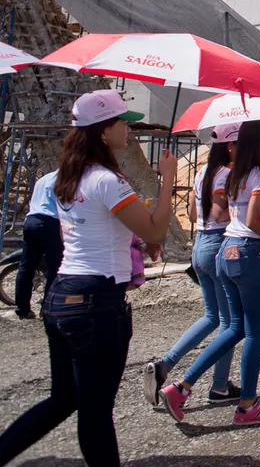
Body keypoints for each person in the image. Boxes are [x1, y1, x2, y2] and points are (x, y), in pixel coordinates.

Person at [0, 89, 177, 465]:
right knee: (95, 411)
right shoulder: (107, 180)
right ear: (102, 131)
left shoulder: (67, 176)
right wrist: (167, 182)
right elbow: (154, 231)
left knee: (63, 399)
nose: (128, 129)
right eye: (121, 122)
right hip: (97, 302)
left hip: (62, 294)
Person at [158, 120, 260, 425]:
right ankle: (248, 405)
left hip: (226, 250)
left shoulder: (233, 173)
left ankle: (181, 387)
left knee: (232, 327)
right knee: (253, 331)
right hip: (249, 253)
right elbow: (253, 220)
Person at [143, 123, 241, 407]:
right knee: (230, 323)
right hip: (218, 246)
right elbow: (220, 211)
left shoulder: (202, 173)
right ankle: (217, 386)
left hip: (199, 245)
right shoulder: (227, 174)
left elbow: (193, 212)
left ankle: (167, 363)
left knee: (212, 316)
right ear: (231, 145)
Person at [13, 169, 63, 320]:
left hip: (31, 221)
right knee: (55, 266)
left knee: (26, 266)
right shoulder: (66, 178)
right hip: (50, 222)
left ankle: (22, 309)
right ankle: (47, 309)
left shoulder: (44, 179)